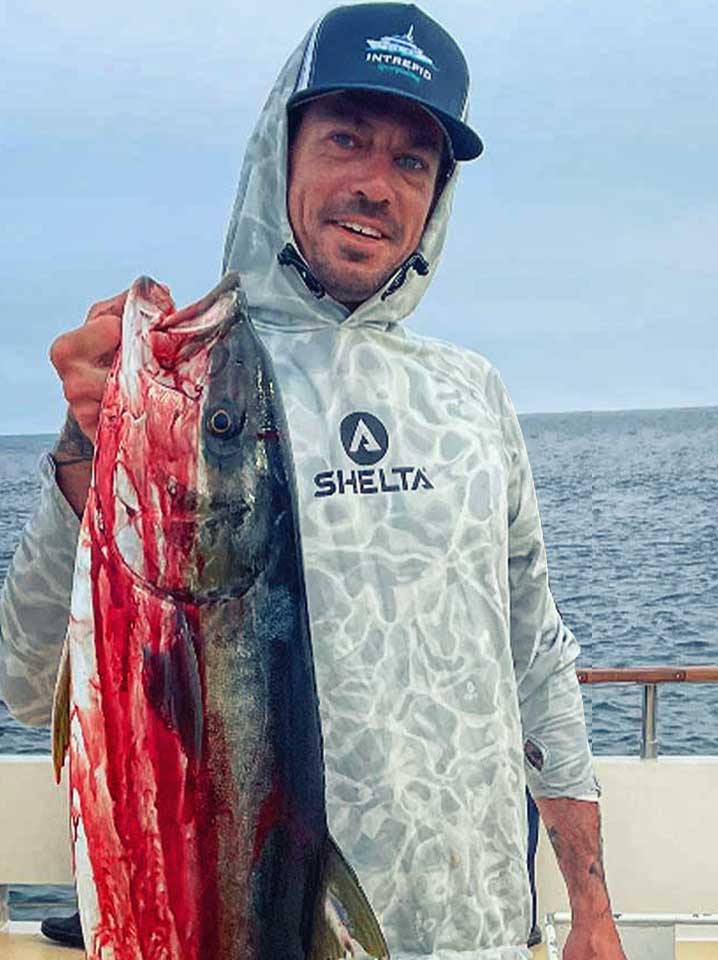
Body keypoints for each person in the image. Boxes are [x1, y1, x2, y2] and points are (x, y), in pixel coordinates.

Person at [0, 5, 626, 958]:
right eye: (345, 138)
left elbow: (535, 656)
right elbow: (28, 677)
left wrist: (591, 908)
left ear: (437, 196)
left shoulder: (473, 392)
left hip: (482, 936)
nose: (376, 184)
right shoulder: (193, 386)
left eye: (414, 160)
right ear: (278, 151)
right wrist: (89, 451)